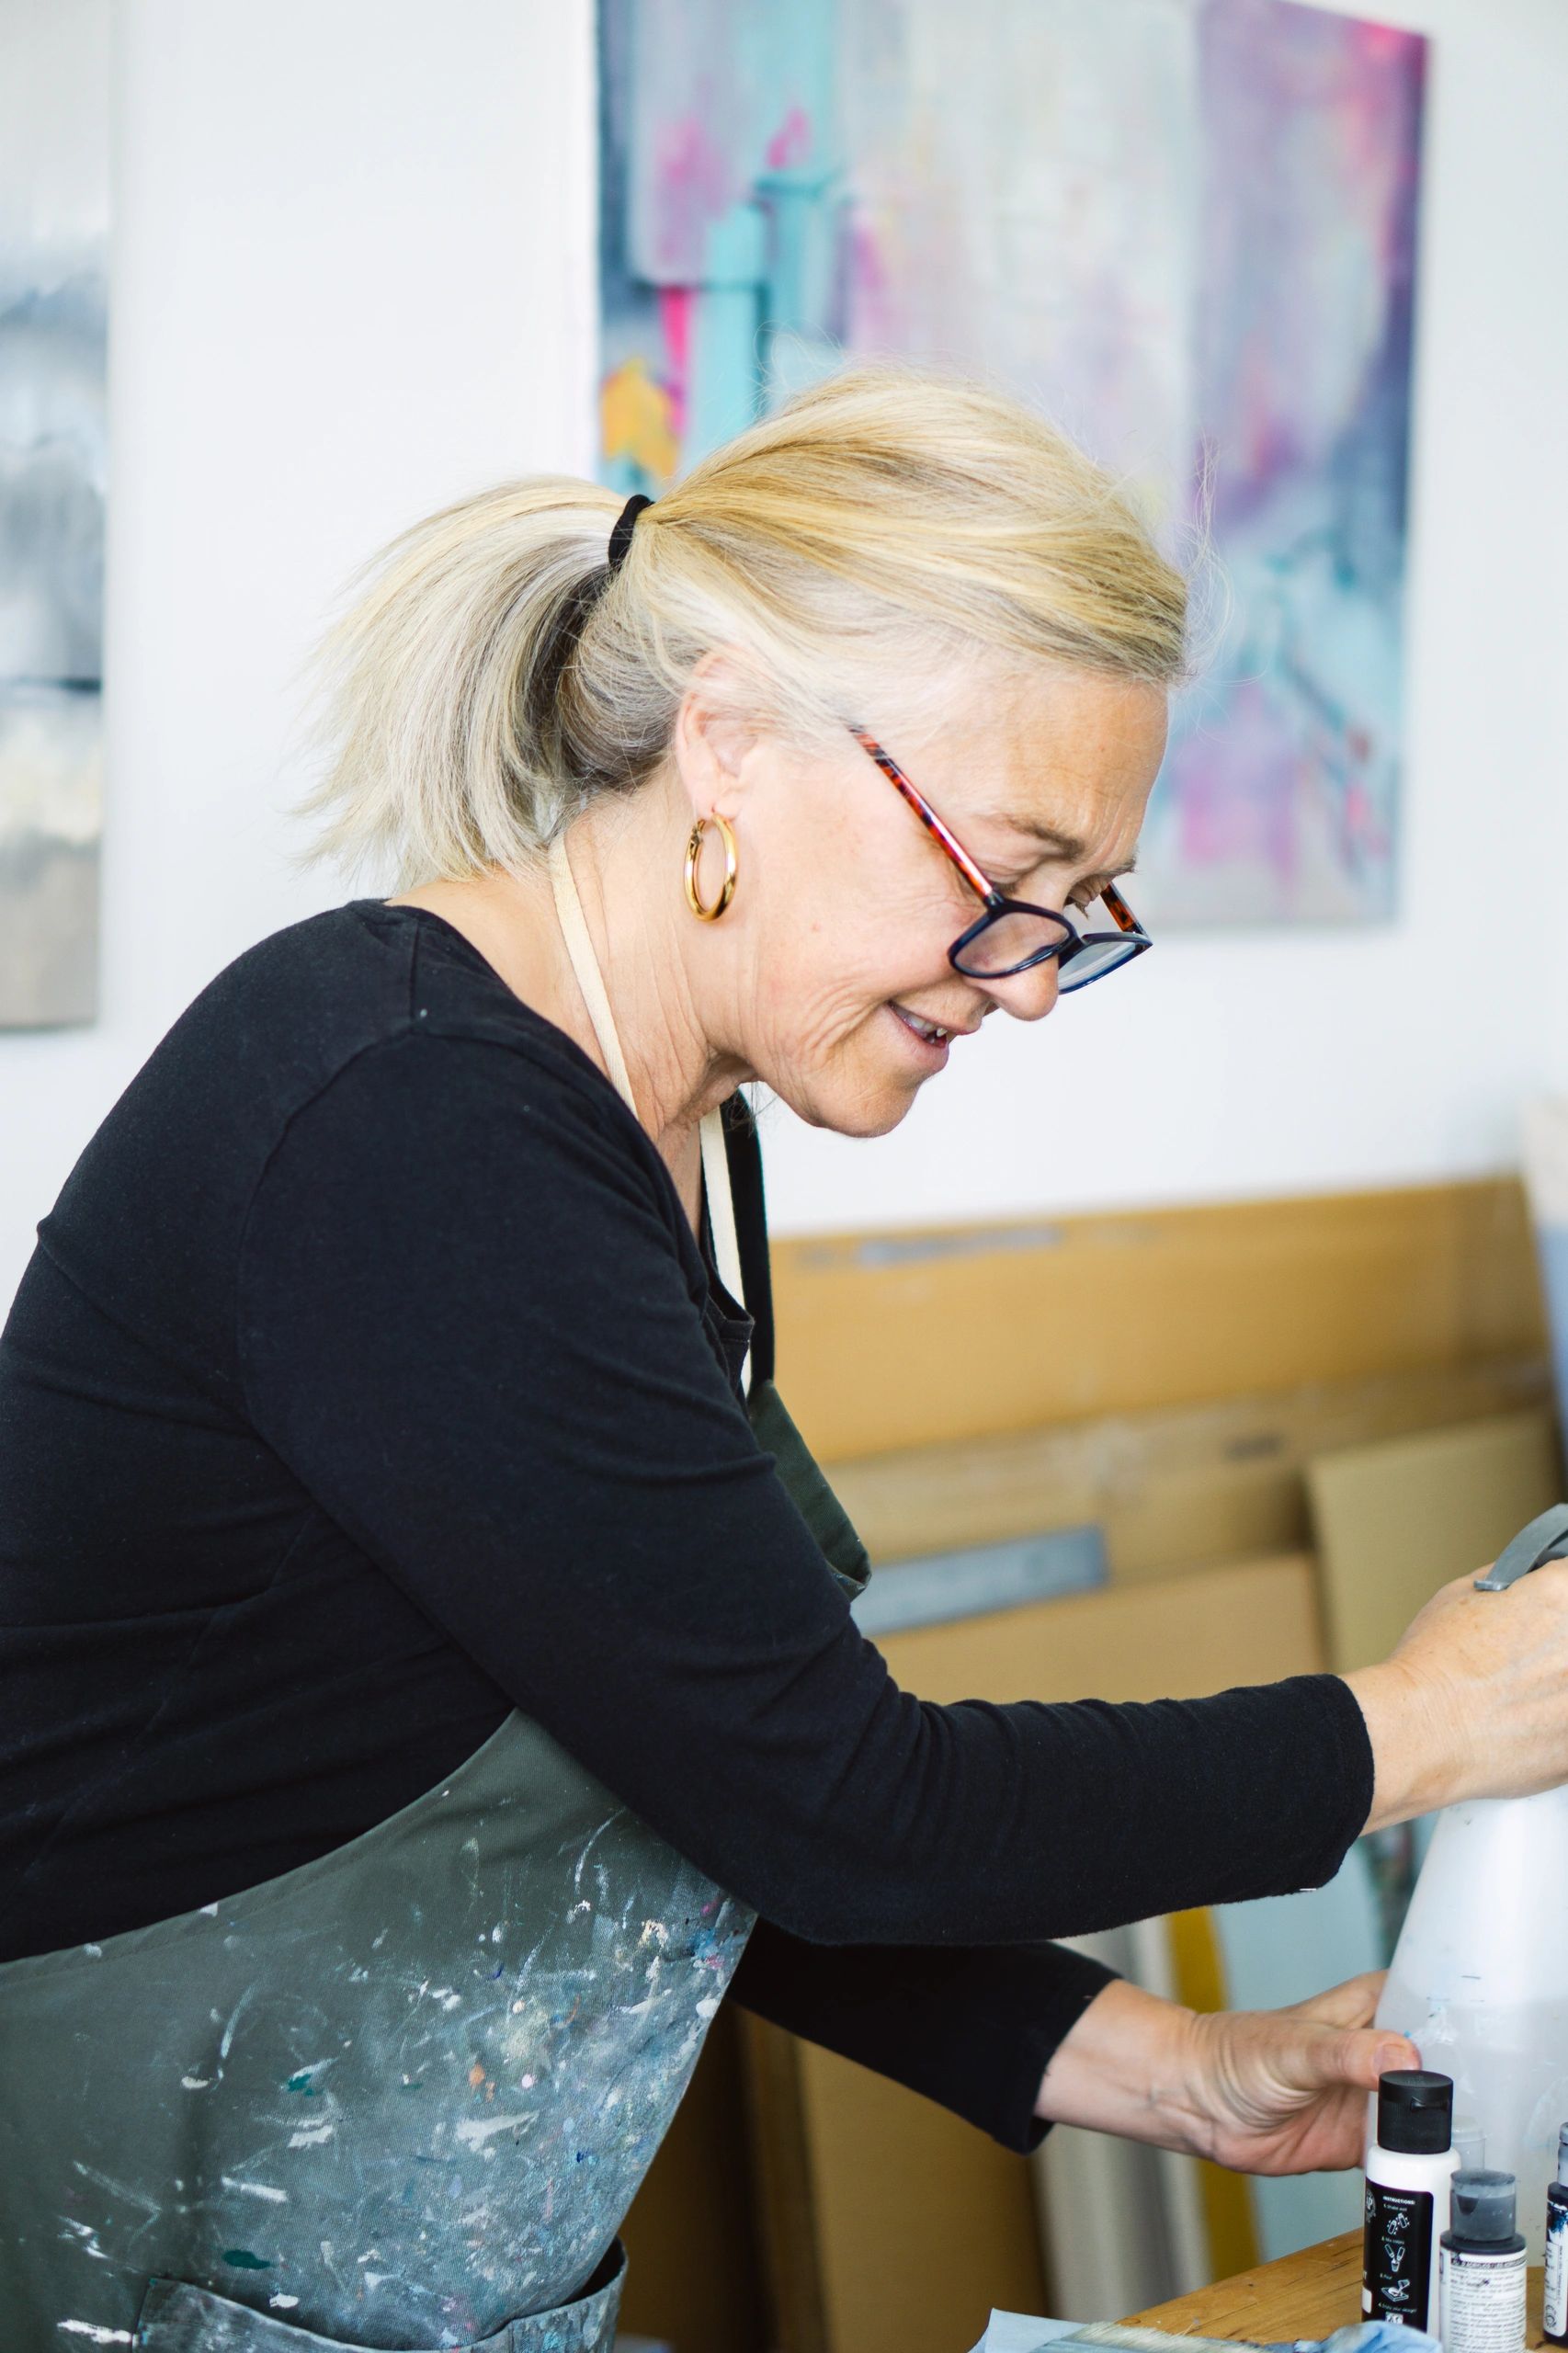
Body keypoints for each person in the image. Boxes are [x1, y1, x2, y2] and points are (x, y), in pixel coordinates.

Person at [3, 365, 1567, 2353]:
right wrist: (1419, 1721)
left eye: (1076, 914)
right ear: (728, 737)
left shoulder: (664, 1131)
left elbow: (701, 1783)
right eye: (1001, 873)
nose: (1022, 979)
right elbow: (844, 1796)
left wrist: (1161, 2063)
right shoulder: (406, 1126)